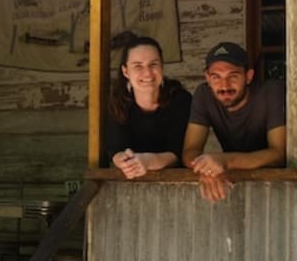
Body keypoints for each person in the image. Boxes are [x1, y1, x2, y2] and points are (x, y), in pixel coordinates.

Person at [182, 41, 286, 202]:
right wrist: (206, 168)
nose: (224, 86)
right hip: (233, 189)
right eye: (216, 77)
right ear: (207, 79)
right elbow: (190, 150)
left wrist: (224, 162)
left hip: (278, 189)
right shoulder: (203, 95)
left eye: (233, 76)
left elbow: (278, 154)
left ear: (248, 76)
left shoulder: (271, 92)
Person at [103, 35, 192, 179]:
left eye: (153, 64)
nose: (147, 73)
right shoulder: (118, 101)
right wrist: (125, 162)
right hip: (131, 181)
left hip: (175, 182)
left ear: (162, 66)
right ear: (126, 71)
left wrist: (147, 161)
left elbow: (176, 154)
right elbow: (116, 150)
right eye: (138, 66)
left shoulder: (180, 100)